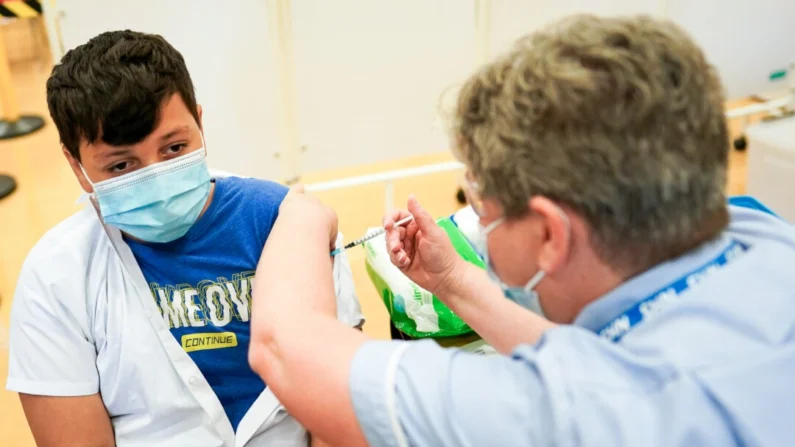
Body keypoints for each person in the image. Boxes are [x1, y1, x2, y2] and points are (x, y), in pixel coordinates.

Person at [247, 15, 795, 446]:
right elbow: (603, 362)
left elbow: (284, 347)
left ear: (552, 235)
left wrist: (298, 210)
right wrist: (457, 282)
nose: (476, 225)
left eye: (482, 210)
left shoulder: (567, 416)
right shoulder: (763, 237)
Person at [5, 30, 363, 447]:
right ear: (75, 163)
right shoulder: (56, 278)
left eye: (174, 148)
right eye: (121, 166)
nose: (155, 177)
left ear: (199, 121)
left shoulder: (286, 223)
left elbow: (339, 411)